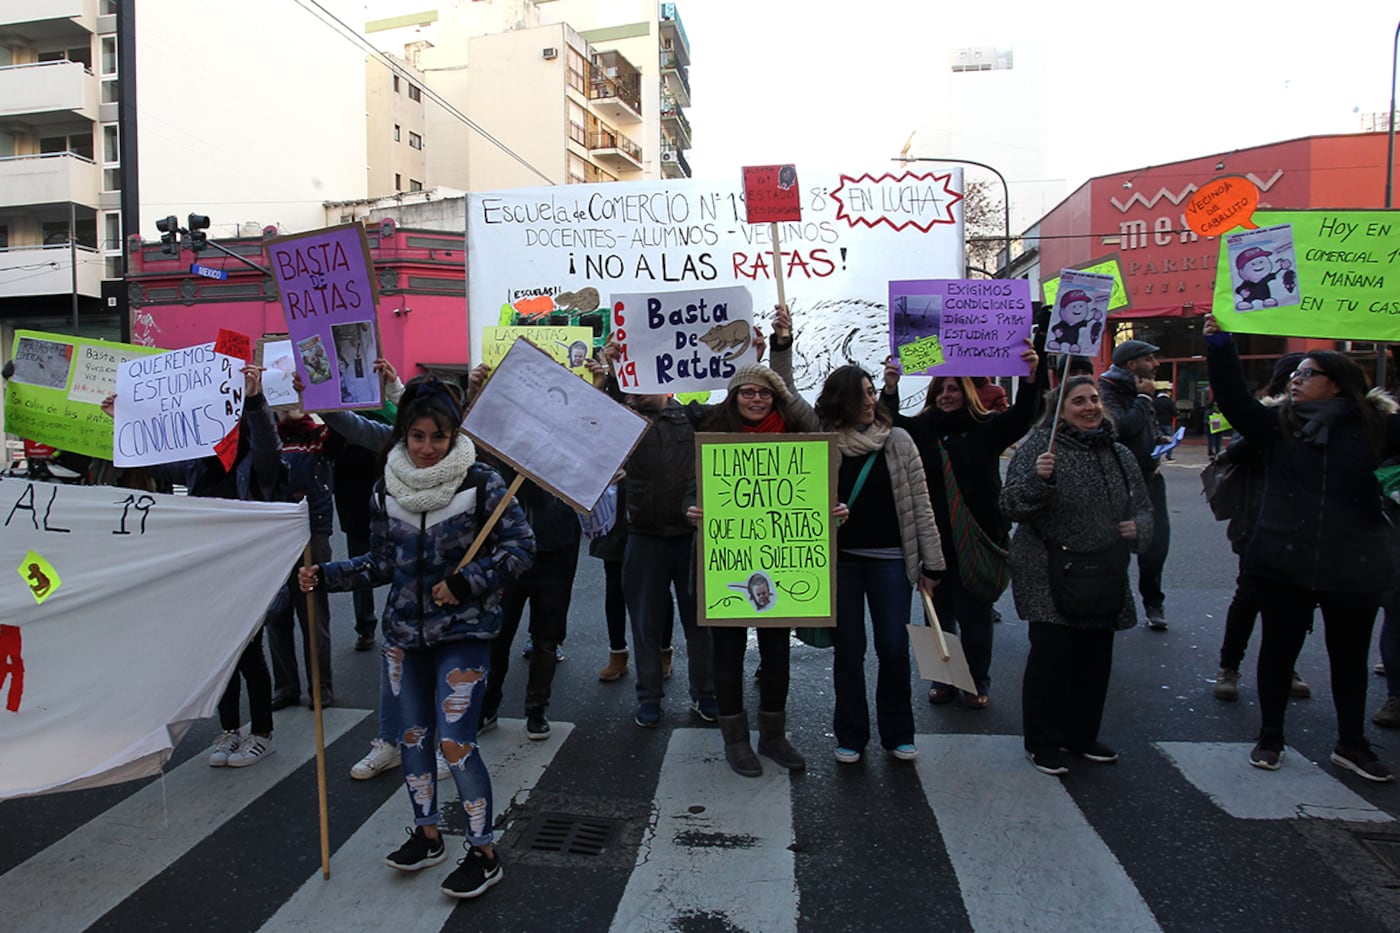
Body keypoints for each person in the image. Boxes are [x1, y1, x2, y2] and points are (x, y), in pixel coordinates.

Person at [299, 376, 535, 897]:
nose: (427, 448)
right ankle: (428, 836)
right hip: (405, 634)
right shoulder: (387, 486)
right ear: (403, 435)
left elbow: (520, 549)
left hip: (465, 635)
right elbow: (382, 563)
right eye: (417, 436)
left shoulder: (483, 483)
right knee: (412, 740)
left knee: (455, 743)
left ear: (455, 435)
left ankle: (483, 851)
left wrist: (464, 582)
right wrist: (328, 574)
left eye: (439, 437)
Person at [1205, 314, 1400, 781]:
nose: (1295, 380)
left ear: (1337, 384)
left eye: (1307, 374)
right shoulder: (1278, 425)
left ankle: (1351, 743)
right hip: (1283, 561)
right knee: (1278, 650)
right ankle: (1271, 736)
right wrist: (1219, 344)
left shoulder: (1376, 429)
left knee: (1349, 658)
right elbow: (1233, 400)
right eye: (1294, 374)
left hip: (1353, 565)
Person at [106, 365, 286, 768]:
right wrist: (122, 422)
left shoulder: (257, 463)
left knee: (248, 652)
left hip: (249, 569)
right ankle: (228, 731)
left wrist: (255, 400)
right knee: (220, 650)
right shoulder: (197, 461)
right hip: (210, 568)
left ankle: (261, 733)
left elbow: (269, 444)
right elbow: (154, 462)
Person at [684, 308, 817, 776]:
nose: (756, 399)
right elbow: (689, 486)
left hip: (781, 560)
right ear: (734, 395)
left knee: (777, 652)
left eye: (764, 392)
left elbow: (816, 482)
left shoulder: (797, 431)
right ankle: (736, 739)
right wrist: (692, 508)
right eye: (748, 391)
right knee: (728, 651)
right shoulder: (712, 432)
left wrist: (779, 351)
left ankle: (775, 736)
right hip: (725, 561)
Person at [1000, 376, 1152, 776]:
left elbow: (1144, 508)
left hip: (1102, 572)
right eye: (1079, 401)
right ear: (1060, 409)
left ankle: (1081, 735)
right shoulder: (1040, 448)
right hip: (1048, 570)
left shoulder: (1118, 454)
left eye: (1095, 400)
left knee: (1094, 659)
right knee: (1052, 659)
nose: (1090, 407)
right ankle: (1043, 741)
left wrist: (1140, 529)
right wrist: (1040, 480)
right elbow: (1012, 504)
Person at [881, 341, 1044, 709]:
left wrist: (1033, 376)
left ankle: (976, 680)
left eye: (954, 389)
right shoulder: (922, 430)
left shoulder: (986, 428)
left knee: (975, 616)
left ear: (967, 392)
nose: (947, 395)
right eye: (942, 389)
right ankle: (944, 680)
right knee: (936, 614)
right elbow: (890, 423)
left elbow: (1022, 416)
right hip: (934, 540)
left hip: (977, 536)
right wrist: (890, 387)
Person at [817, 364, 943, 764]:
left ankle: (898, 733)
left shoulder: (899, 441)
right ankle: (851, 735)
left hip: (892, 562)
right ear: (841, 401)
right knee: (849, 650)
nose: (870, 401)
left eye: (872, 392)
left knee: (893, 647)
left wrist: (933, 564)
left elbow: (921, 505)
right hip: (843, 563)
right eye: (861, 395)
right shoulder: (823, 443)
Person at [1211, 352, 1312, 703]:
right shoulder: (1270, 419)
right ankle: (1229, 666)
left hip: (1304, 528)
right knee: (1249, 595)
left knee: (1294, 604)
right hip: (1258, 521)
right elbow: (1238, 450)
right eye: (1300, 375)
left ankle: (1287, 665)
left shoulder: (1325, 421)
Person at [267, 406, 339, 709]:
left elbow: (344, 433)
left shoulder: (319, 437)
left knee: (312, 615)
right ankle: (285, 686)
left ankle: (320, 687)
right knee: (275, 616)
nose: (286, 406)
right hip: (270, 536)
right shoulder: (265, 437)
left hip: (311, 535)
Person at [1099, 339, 1170, 631]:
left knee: (1156, 543)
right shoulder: (1108, 391)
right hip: (1123, 481)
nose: (1156, 364)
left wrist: (1158, 440)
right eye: (1150, 359)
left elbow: (1141, 429)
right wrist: (1143, 399)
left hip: (1151, 478)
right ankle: (1115, 603)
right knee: (1118, 545)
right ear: (1132, 365)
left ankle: (1153, 602)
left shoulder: (1142, 389)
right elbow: (1123, 426)